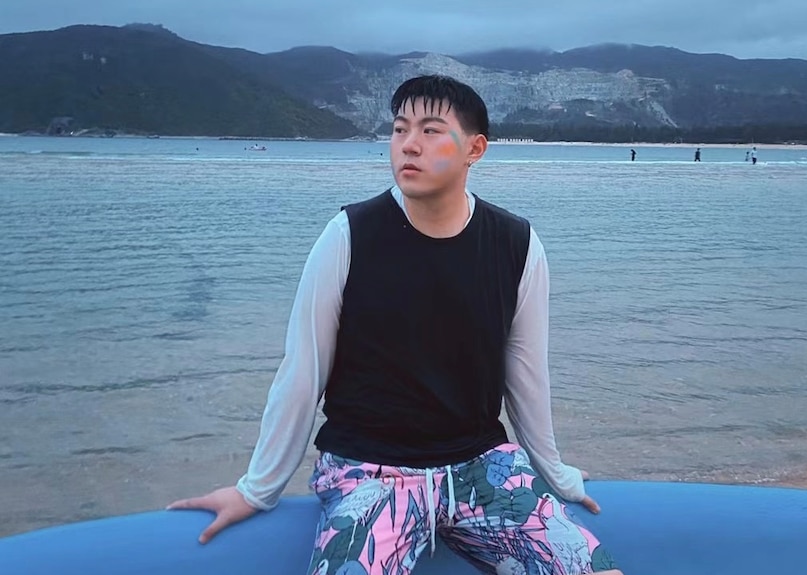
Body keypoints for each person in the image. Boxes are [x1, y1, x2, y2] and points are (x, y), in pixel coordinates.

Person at [168, 75, 623, 575]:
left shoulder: (517, 245)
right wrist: (258, 488)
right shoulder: (348, 236)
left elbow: (526, 375)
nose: (408, 144)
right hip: (368, 472)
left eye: (431, 131)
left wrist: (554, 473)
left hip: (480, 468)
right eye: (399, 129)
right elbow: (303, 371)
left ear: (475, 149)